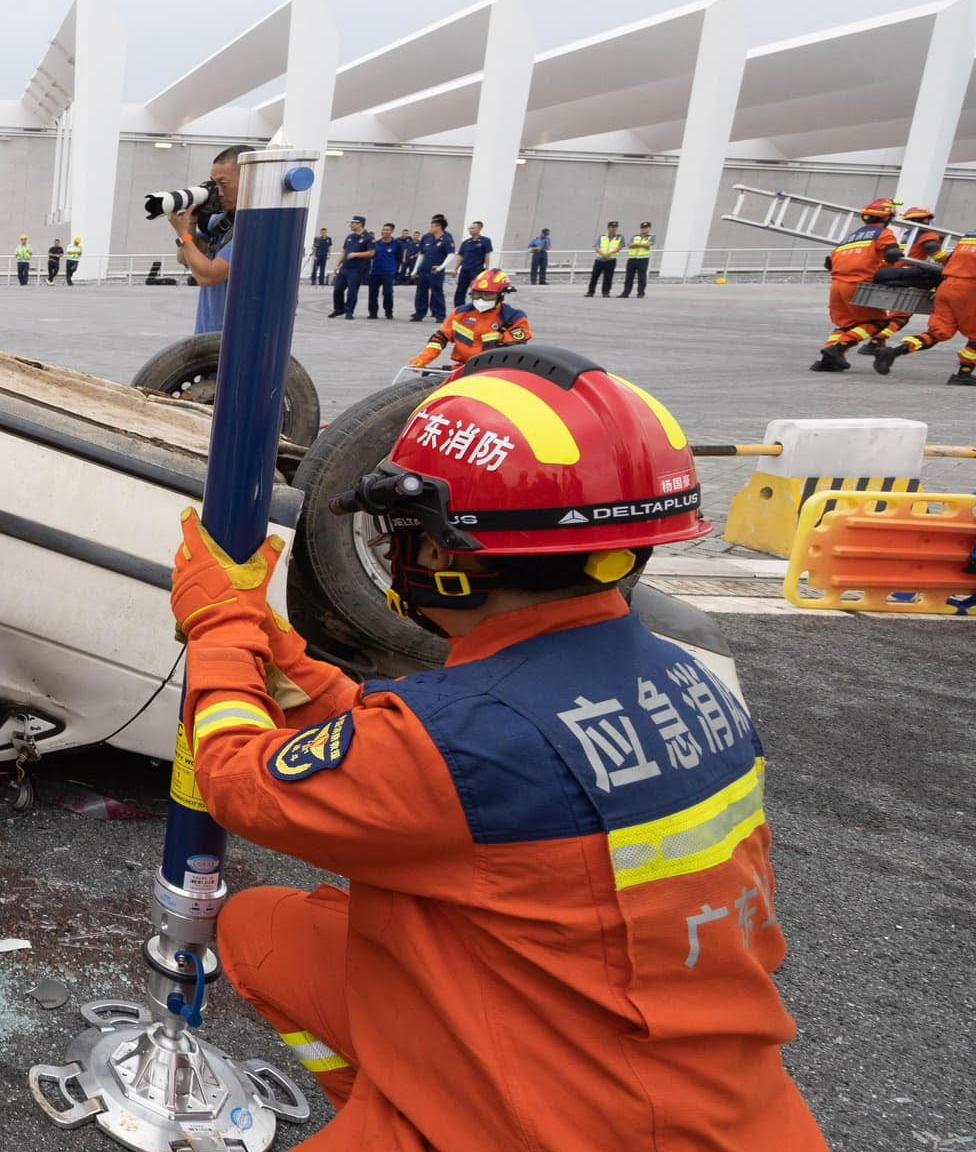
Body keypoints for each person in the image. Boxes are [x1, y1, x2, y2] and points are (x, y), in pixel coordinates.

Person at [169, 345, 831, 1150]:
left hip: (570, 1126)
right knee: (268, 930)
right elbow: (440, 759)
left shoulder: (461, 738)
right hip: (721, 1102)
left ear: (445, 555)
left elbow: (239, 781)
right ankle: (404, 1099)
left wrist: (220, 628)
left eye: (403, 532)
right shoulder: (687, 682)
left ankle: (424, 1124)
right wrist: (290, 662)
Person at [811, 198, 904, 372]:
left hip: (837, 286)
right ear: (887, 218)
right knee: (878, 322)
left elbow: (829, 263)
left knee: (845, 325)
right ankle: (837, 349)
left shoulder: (850, 238)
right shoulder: (883, 233)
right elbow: (892, 253)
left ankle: (826, 361)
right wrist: (896, 258)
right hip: (857, 285)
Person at [873, 229, 975, 385]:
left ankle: (893, 352)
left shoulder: (967, 238)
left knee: (936, 333)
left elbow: (949, 261)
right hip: (970, 290)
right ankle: (963, 374)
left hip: (947, 286)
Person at [170, 145, 248, 334]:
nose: (218, 192)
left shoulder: (252, 229)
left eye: (224, 184)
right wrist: (190, 223)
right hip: (207, 334)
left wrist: (184, 235)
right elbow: (184, 258)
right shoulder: (220, 222)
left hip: (234, 338)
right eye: (214, 184)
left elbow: (208, 276)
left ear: (248, 179)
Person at [408, 268, 532, 369]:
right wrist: (424, 358)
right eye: (477, 294)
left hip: (495, 372)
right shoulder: (460, 313)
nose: (481, 300)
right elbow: (440, 338)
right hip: (462, 368)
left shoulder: (514, 319)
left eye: (488, 295)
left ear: (502, 295)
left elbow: (510, 354)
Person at [870, 206, 946, 351]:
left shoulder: (907, 235)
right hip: (912, 276)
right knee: (901, 316)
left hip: (896, 273)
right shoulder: (927, 234)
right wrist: (951, 261)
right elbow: (936, 254)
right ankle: (877, 340)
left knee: (898, 313)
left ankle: (878, 340)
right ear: (925, 220)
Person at [411, 214, 455, 322]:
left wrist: (441, 267)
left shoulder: (447, 239)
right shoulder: (426, 237)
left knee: (437, 292)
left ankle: (440, 315)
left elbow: (451, 254)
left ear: (439, 226)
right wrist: (415, 269)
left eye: (432, 226)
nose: (430, 228)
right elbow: (421, 254)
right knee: (421, 292)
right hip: (424, 270)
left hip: (436, 271)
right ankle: (419, 314)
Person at [329, 215, 375, 319]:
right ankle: (339, 309)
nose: (351, 225)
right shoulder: (350, 237)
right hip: (345, 268)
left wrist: (356, 254)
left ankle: (349, 311)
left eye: (353, 223)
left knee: (352, 291)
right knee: (338, 290)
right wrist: (337, 264)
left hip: (357, 269)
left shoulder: (369, 238)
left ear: (360, 224)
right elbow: (344, 252)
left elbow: (371, 253)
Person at [452, 220, 493, 309]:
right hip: (465, 270)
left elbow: (487, 255)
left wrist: (487, 269)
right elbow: (461, 256)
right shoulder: (466, 242)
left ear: (479, 229)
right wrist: (455, 269)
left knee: (476, 291)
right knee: (460, 290)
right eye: (469, 228)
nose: (470, 230)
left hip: (477, 270)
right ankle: (459, 309)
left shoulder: (485, 241)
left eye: (472, 228)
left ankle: (476, 309)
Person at [367, 222, 402, 318]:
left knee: (387, 292)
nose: (384, 231)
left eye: (387, 230)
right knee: (373, 293)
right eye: (383, 230)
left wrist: (395, 271)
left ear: (392, 231)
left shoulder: (397, 244)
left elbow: (399, 258)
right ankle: (373, 313)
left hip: (388, 273)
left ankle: (388, 312)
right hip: (375, 272)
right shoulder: (375, 243)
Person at [586, 221, 623, 297]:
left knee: (608, 277)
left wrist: (609, 254)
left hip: (611, 259)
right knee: (594, 276)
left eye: (615, 227)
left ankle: (606, 292)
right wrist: (603, 254)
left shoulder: (620, 237)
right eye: (612, 227)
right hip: (600, 259)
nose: (614, 229)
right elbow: (596, 247)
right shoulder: (602, 236)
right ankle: (590, 291)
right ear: (608, 228)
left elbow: (619, 248)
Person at [621, 222, 655, 298]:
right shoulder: (635, 236)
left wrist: (637, 244)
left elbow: (649, 245)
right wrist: (641, 245)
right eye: (642, 228)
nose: (644, 229)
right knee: (629, 277)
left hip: (643, 259)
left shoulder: (651, 236)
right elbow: (629, 245)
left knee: (642, 277)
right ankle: (626, 293)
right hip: (632, 258)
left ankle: (640, 293)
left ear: (649, 228)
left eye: (646, 228)